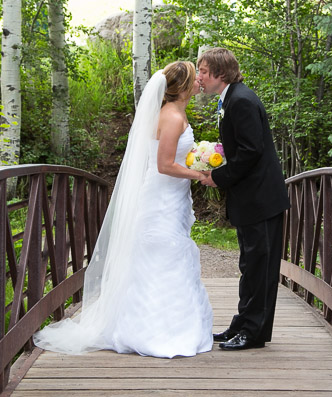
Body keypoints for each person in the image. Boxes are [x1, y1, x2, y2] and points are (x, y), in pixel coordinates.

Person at [33, 61, 213, 358]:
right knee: (164, 254)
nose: (198, 83)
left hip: (173, 198)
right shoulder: (171, 116)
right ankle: (155, 331)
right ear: (182, 87)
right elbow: (164, 165)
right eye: (195, 79)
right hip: (161, 200)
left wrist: (198, 161)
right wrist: (200, 175)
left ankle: (166, 324)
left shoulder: (176, 113)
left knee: (165, 254)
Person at [198, 47, 290, 350]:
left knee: (259, 267)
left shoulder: (240, 101)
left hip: (260, 200)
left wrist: (219, 176)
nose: (199, 77)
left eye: (203, 71)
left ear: (219, 74)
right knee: (250, 264)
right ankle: (243, 323)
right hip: (252, 199)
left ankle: (253, 332)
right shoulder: (234, 98)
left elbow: (251, 151)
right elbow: (243, 146)